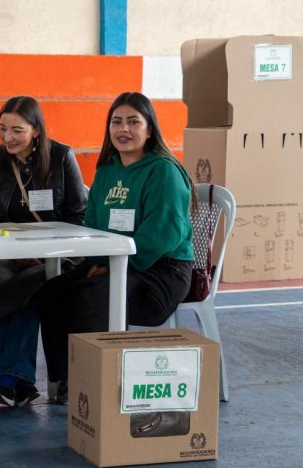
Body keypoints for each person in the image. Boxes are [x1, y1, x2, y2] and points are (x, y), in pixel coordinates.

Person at [34, 91, 195, 405]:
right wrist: (100, 260)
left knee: (91, 297)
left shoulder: (163, 171)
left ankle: (99, 388)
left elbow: (162, 235)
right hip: (110, 262)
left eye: (133, 122)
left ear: (150, 129)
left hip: (159, 272)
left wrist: (112, 265)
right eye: (116, 122)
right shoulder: (107, 170)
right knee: (50, 294)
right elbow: (92, 225)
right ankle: (66, 381)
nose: (124, 129)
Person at [0, 95, 87, 407]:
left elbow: (78, 215)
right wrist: (11, 253)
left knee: (32, 283)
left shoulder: (61, 157)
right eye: (3, 129)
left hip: (56, 256)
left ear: (36, 130)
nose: (7, 137)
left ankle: (10, 380)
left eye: (17, 130)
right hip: (6, 255)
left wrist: (49, 252)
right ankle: (17, 382)